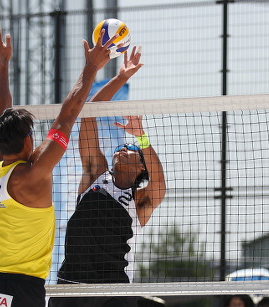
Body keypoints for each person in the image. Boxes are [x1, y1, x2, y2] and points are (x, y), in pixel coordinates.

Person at [0, 25, 116, 307]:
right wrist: (91, 67)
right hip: (24, 285)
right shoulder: (32, 174)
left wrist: (2, 66)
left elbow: (3, 116)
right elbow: (68, 115)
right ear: (27, 139)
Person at [48, 46, 166, 307]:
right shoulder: (95, 175)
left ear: (141, 168)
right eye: (122, 146)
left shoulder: (139, 201)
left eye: (131, 149)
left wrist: (141, 137)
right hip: (71, 288)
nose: (122, 148)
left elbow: (160, 185)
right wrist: (122, 77)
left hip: (113, 292)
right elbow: (90, 111)